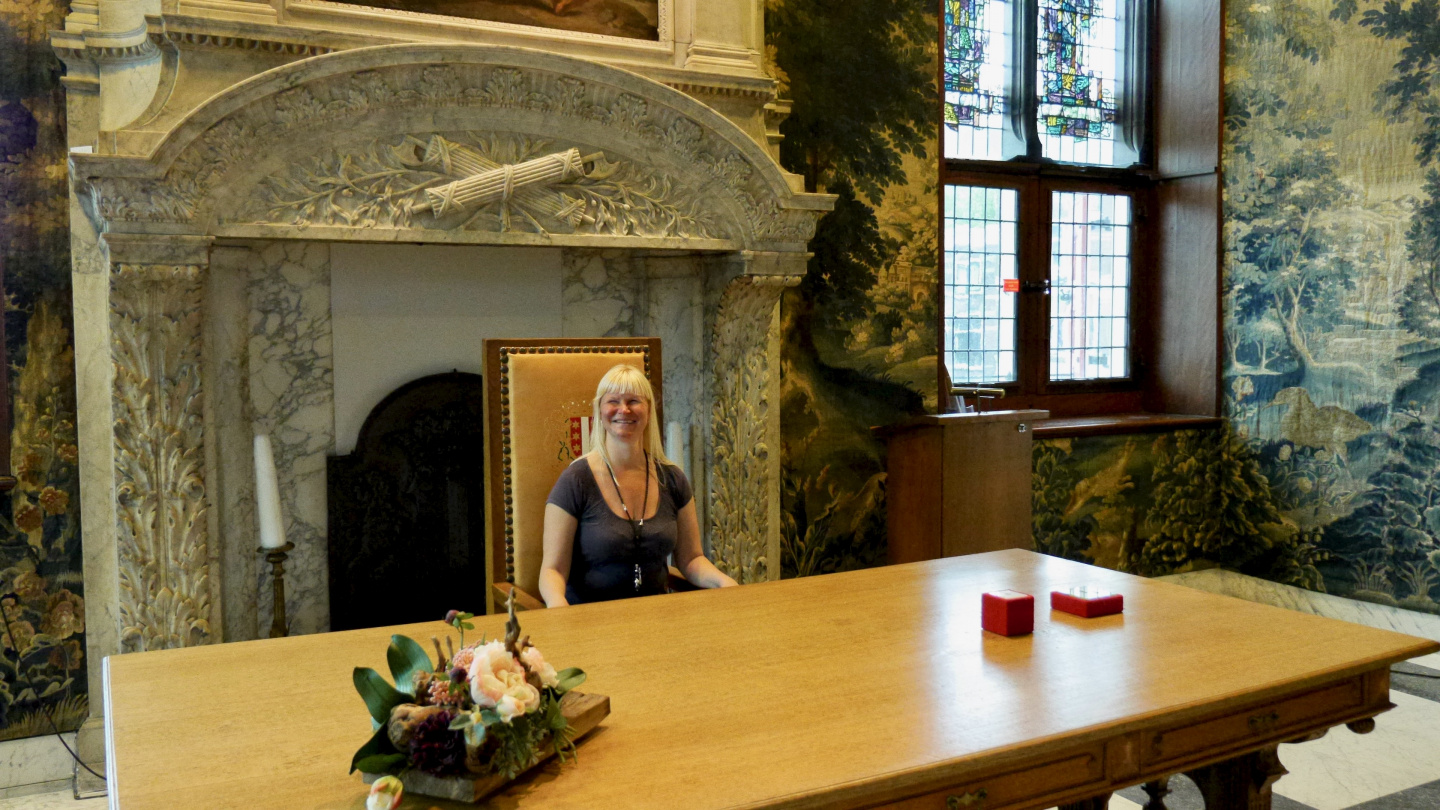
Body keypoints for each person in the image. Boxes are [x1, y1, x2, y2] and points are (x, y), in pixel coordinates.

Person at [538, 364, 738, 606]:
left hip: (656, 619)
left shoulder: (673, 479)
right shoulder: (575, 480)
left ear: (649, 411)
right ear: (599, 411)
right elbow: (553, 570)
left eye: (634, 400)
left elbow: (691, 558)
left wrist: (724, 583)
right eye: (613, 401)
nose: (624, 409)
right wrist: (558, 607)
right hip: (589, 622)